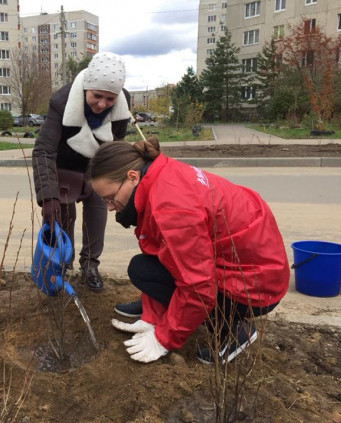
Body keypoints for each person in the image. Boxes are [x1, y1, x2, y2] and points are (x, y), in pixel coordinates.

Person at [88, 139, 290, 363]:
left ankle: (234, 330)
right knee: (143, 268)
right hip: (248, 264)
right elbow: (161, 253)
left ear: (132, 177)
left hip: (255, 286)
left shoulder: (172, 208)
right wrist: (152, 317)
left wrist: (164, 338)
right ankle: (166, 310)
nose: (108, 206)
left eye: (109, 197)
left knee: (148, 272)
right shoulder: (158, 175)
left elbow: (199, 287)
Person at [32, 52, 131, 291]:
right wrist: (48, 196)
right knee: (63, 216)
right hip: (64, 164)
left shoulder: (122, 102)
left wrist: (119, 189)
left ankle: (90, 265)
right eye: (97, 96)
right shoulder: (62, 101)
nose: (102, 104)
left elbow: (116, 146)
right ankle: (61, 265)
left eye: (110, 99)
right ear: (87, 87)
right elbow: (44, 150)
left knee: (98, 213)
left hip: (97, 165)